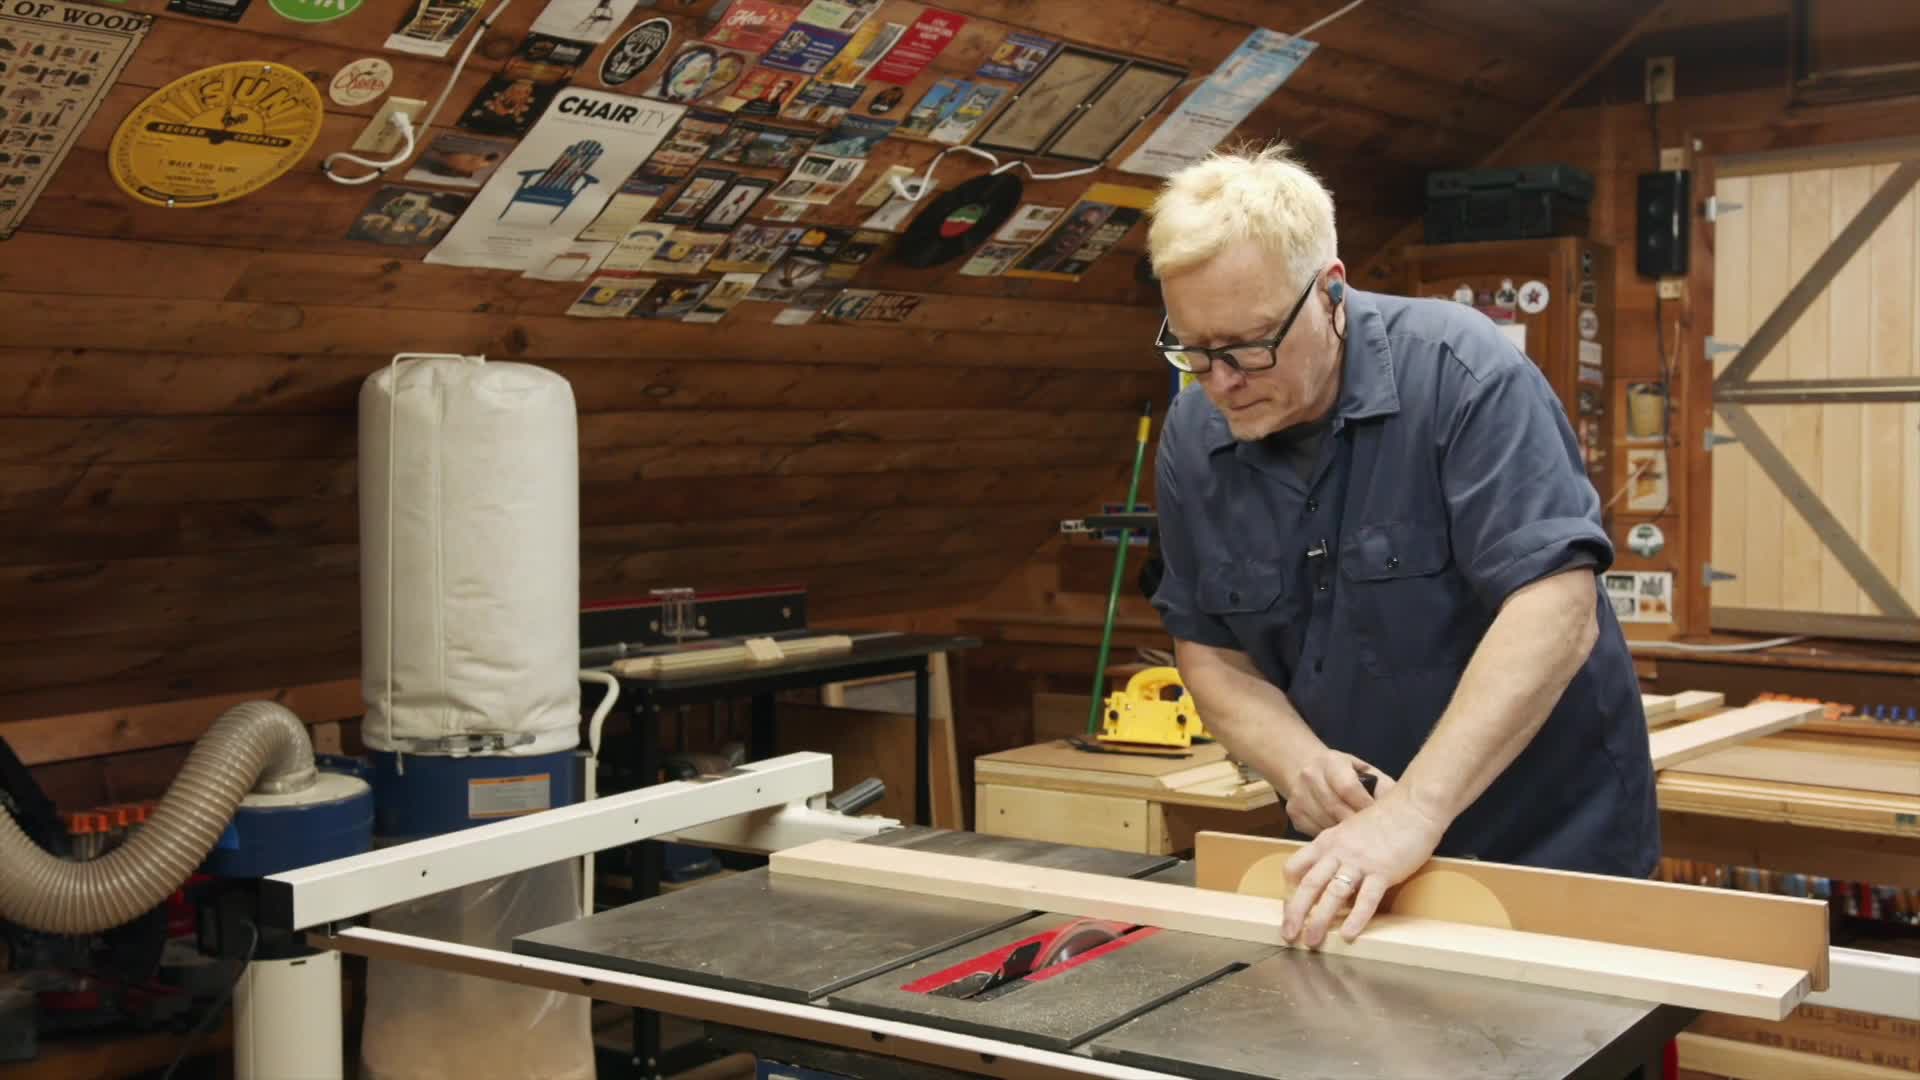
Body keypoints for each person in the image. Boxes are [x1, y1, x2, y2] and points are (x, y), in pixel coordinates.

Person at [1143, 144, 1658, 951]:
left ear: (1332, 293)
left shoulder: (1466, 375)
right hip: (1352, 864)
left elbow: (1557, 609)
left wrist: (1416, 810)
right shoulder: (1193, 435)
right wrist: (1299, 763)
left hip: (1546, 841)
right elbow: (1209, 649)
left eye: (1246, 345)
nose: (1220, 381)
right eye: (1194, 349)